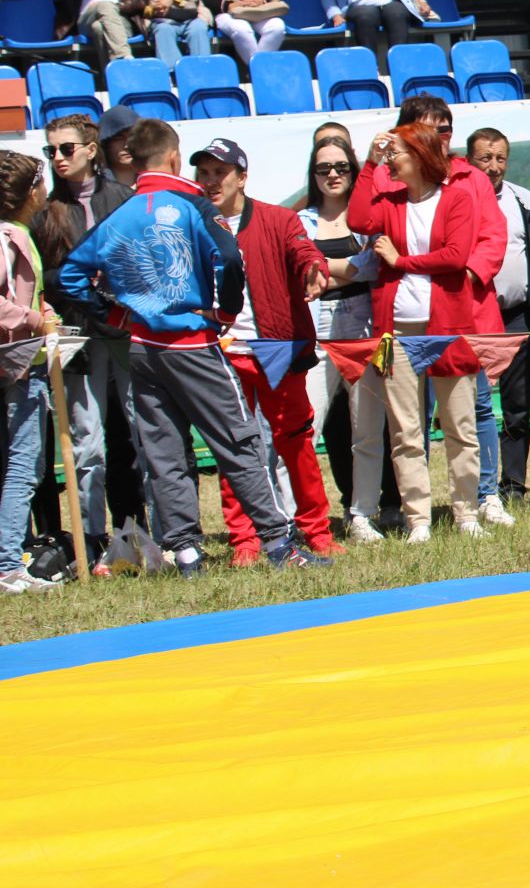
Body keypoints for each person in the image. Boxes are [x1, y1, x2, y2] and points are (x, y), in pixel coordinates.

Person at [58, 119, 320, 576]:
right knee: (239, 441)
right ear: (176, 158)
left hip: (142, 346)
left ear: (132, 161)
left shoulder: (119, 216)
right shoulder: (192, 206)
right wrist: (225, 312)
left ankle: (186, 553)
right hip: (193, 342)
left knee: (163, 452)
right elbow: (231, 257)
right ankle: (279, 544)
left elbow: (69, 277)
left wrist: (117, 315)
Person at [192, 139, 335, 564]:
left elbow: (303, 250)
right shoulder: (193, 224)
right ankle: (244, 540)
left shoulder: (278, 218)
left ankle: (317, 531)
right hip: (221, 350)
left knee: (297, 442)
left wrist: (314, 269)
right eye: (204, 172)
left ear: (242, 177)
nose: (212, 181)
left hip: (277, 347)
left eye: (221, 172)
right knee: (233, 447)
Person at [347, 121, 485, 543]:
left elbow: (456, 256)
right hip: (398, 331)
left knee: (460, 424)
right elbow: (357, 216)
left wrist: (400, 260)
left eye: (397, 154)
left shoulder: (457, 198)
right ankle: (418, 519)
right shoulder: (390, 201)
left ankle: (467, 512)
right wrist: (369, 163)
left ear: (421, 156)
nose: (392, 159)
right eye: (389, 155)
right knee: (405, 429)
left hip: (448, 327)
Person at [29, 115, 138, 566]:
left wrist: (113, 278)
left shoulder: (125, 200)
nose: (57, 158)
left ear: (92, 150)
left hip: (127, 330)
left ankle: (143, 532)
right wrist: (75, 278)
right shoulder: (44, 210)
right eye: (50, 151)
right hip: (77, 336)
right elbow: (39, 277)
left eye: (66, 149)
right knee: (87, 443)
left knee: (143, 432)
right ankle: (91, 540)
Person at [299, 133, 386, 543]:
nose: (333, 174)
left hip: (364, 326)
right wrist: (348, 266)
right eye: (323, 169)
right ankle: (304, 517)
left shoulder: (368, 217)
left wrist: (324, 266)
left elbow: (373, 267)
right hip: (317, 329)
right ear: (313, 175)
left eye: (341, 167)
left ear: (353, 171)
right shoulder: (299, 220)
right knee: (307, 426)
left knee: (365, 428)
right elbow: (301, 268)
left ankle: (362, 515)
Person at [466, 128, 530, 504]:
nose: (494, 166)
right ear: (470, 160)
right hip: (474, 319)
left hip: (520, 316)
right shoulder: (459, 199)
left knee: (517, 406)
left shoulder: (524, 200)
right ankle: (478, 488)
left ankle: (514, 485)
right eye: (485, 158)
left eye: (500, 158)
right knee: (474, 406)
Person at [0, 151, 57, 594]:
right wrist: (33, 320)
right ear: (26, 192)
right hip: (17, 364)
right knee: (24, 464)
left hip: (22, 359)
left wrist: (40, 308)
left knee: (20, 462)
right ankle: (7, 564)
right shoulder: (6, 237)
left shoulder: (18, 234)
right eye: (40, 181)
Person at [94, 104, 141, 187]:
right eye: (118, 138)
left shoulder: (157, 183)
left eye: (132, 136)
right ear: (105, 144)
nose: (127, 146)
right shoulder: (94, 188)